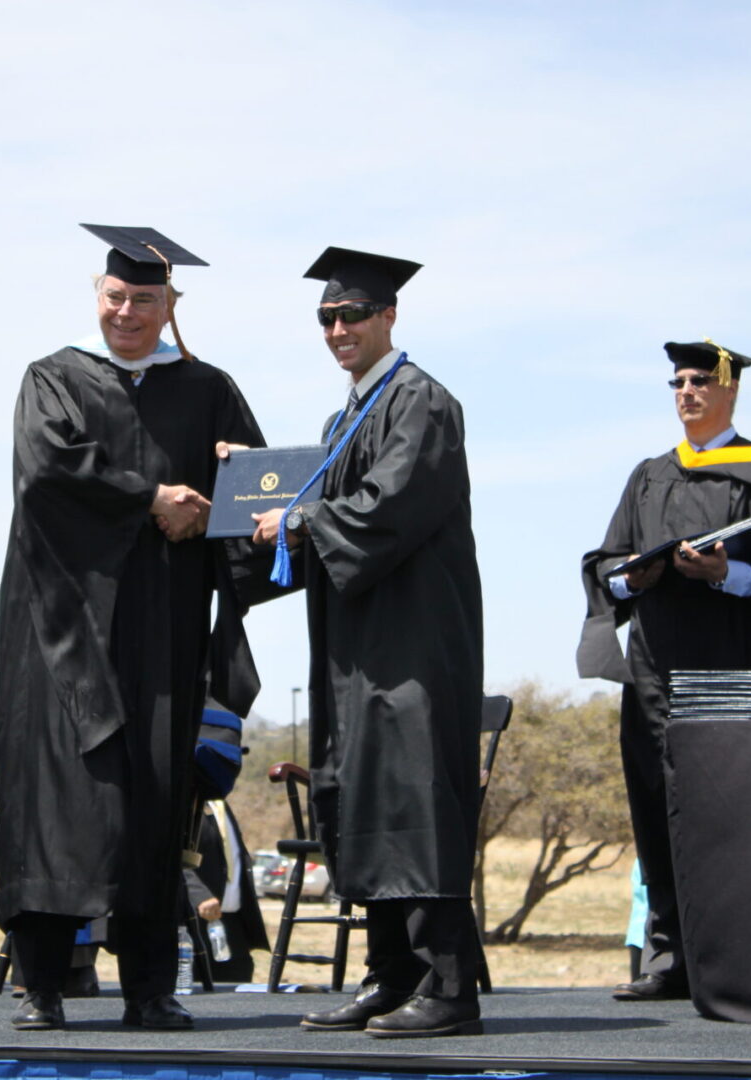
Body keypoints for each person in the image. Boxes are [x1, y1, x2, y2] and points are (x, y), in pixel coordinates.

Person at [0, 224, 265, 1032]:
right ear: (97, 293)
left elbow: (254, 483)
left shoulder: (207, 387)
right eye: (116, 297)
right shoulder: (54, 378)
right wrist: (152, 500)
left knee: (154, 792)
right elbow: (46, 473)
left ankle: (150, 985)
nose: (128, 314)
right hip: (60, 627)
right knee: (55, 797)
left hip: (165, 626)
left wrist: (225, 497)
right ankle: (41, 982)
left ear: (170, 304)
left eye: (146, 300)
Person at [246, 247, 485, 1038]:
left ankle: (448, 988)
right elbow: (315, 513)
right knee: (369, 795)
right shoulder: (343, 416)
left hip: (415, 641)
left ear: (389, 316)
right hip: (357, 644)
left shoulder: (422, 401)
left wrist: (302, 520)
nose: (339, 328)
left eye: (353, 314)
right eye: (326, 318)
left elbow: (390, 505)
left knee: (417, 797)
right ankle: (390, 977)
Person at [577, 340, 751, 1002]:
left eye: (701, 381)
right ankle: (670, 954)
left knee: (732, 808)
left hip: (731, 666)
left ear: (730, 390)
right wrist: (632, 577)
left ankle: (738, 955)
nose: (687, 391)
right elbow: (605, 562)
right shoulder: (651, 474)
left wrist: (726, 573)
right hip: (654, 670)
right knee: (657, 804)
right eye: (678, 381)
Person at [183, 798, 268, 985]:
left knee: (236, 996)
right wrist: (199, 895)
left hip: (231, 924)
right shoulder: (180, 799)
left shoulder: (219, 804)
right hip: (191, 922)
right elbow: (170, 855)